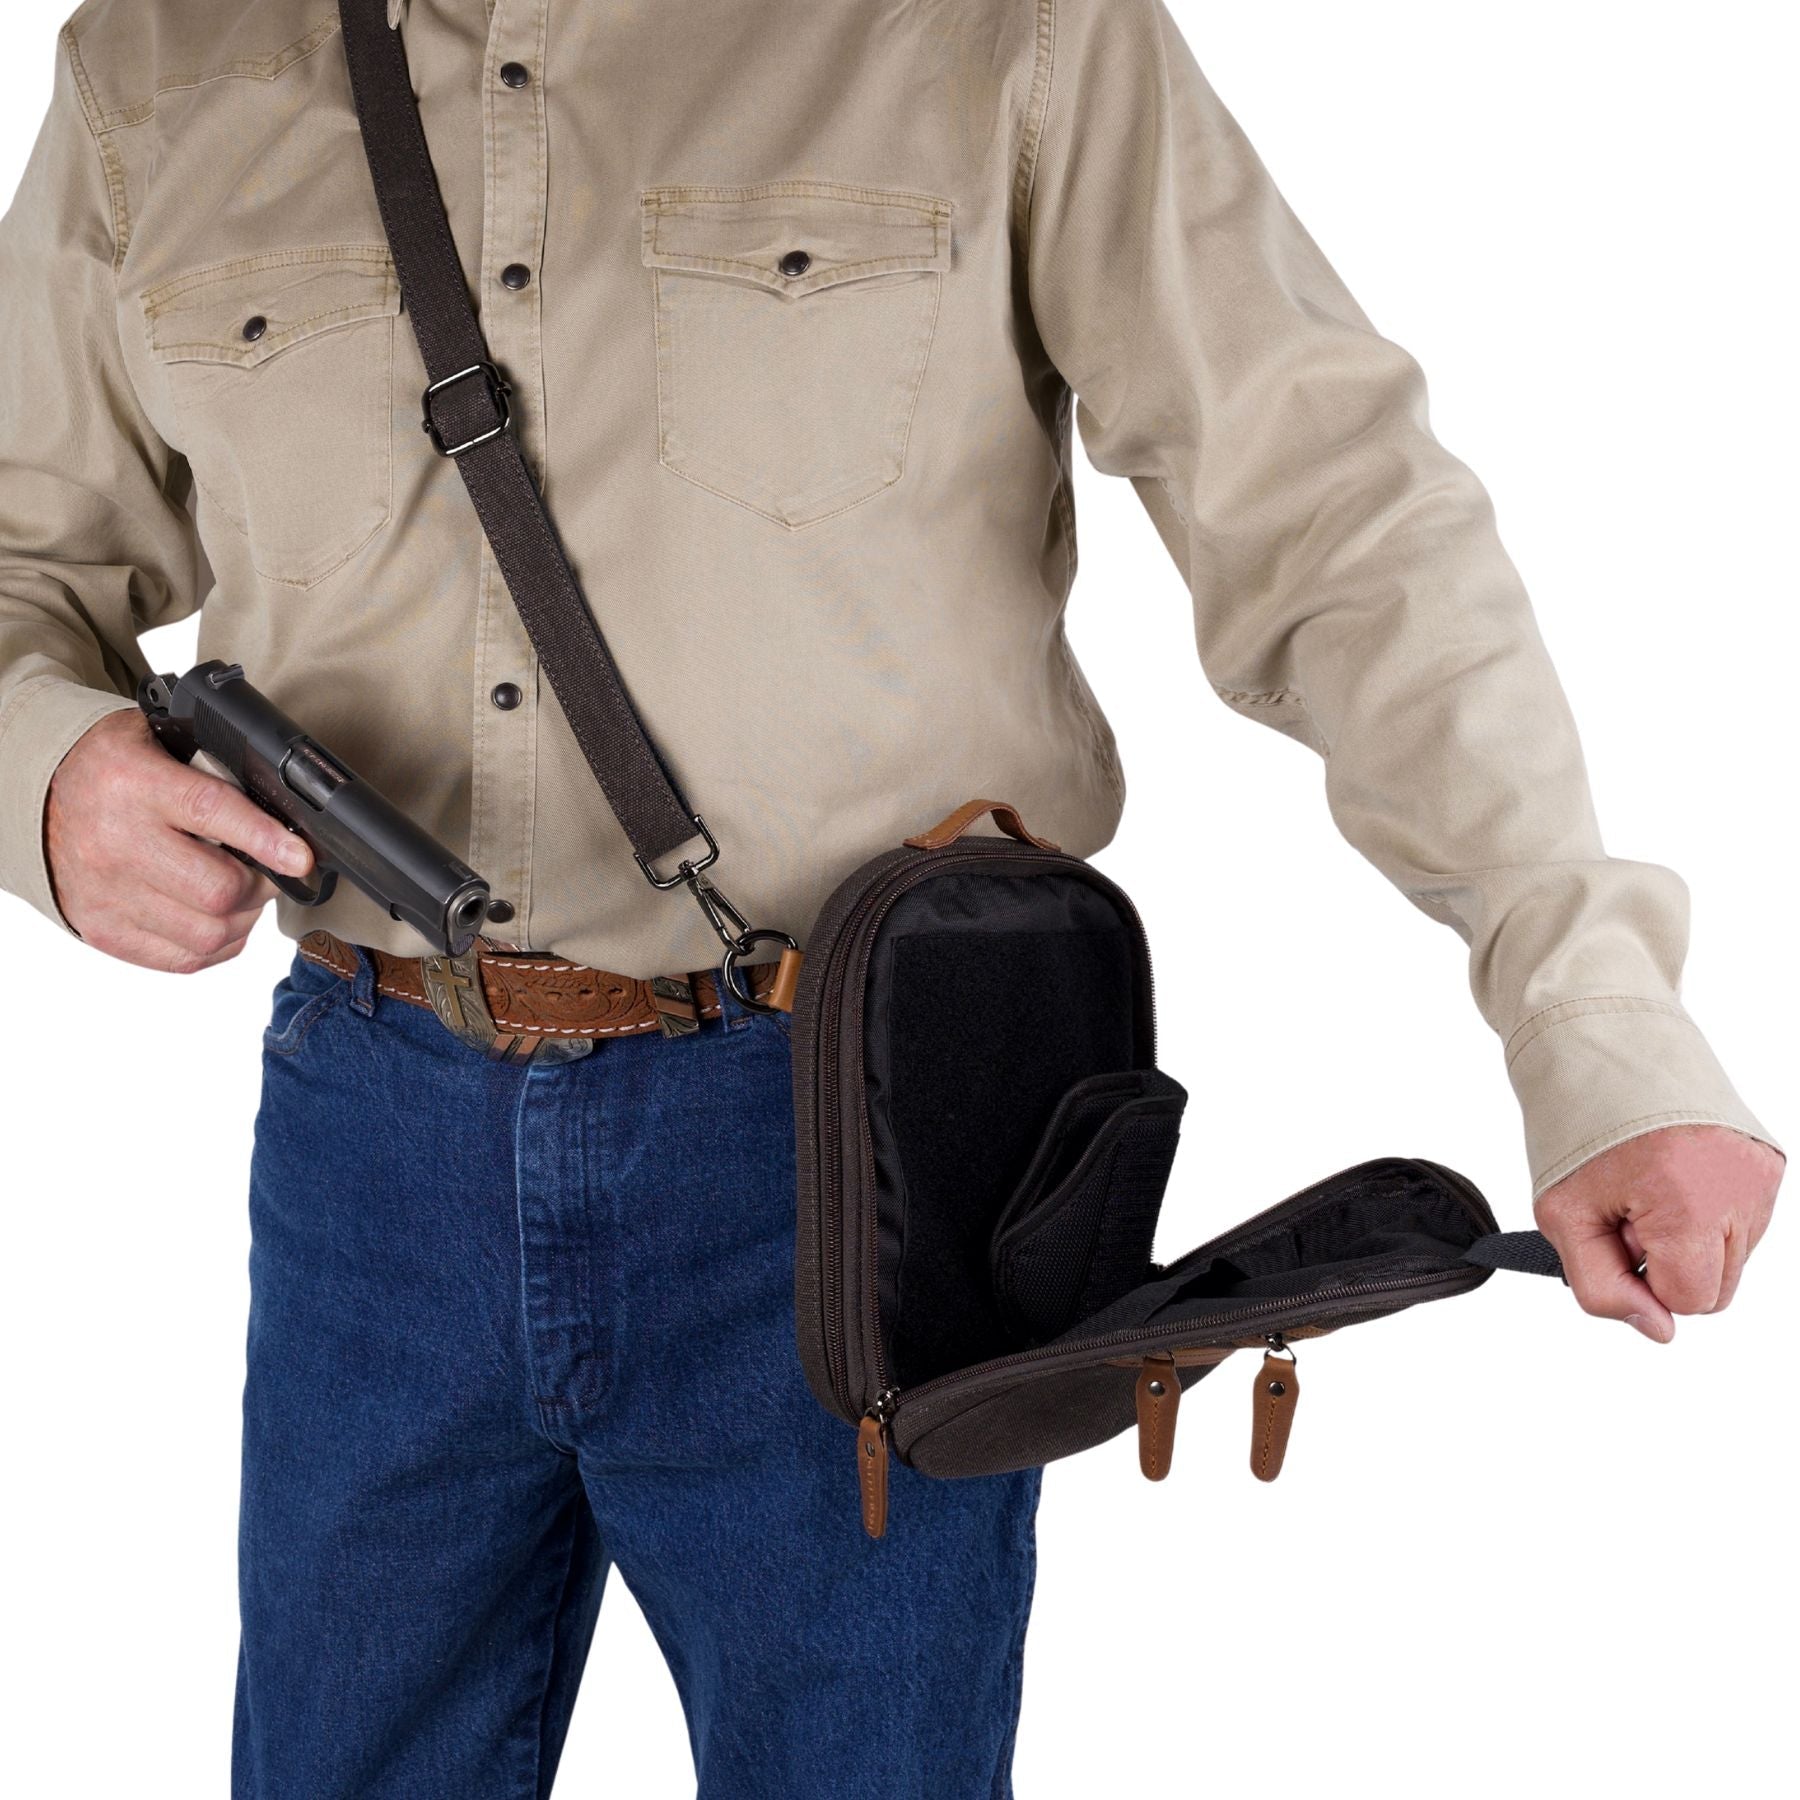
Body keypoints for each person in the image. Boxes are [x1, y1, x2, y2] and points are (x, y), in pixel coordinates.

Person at [0, 1, 1781, 1795]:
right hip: (372, 1150)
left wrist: (1599, 1028)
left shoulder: (1002, 27)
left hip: (849, 1154)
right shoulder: (157, 59)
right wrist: (49, 779)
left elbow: (1339, 519)